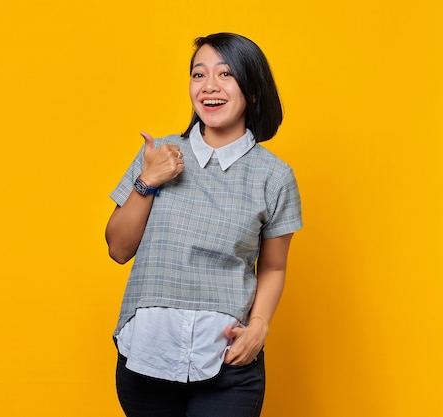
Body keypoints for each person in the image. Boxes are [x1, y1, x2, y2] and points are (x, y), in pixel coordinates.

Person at [105, 32, 302, 417]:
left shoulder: (274, 176)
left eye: (226, 74)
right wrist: (148, 181)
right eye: (199, 75)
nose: (210, 86)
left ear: (253, 89)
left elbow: (274, 266)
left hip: (228, 362)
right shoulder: (159, 154)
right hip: (147, 356)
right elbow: (118, 249)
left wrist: (260, 326)